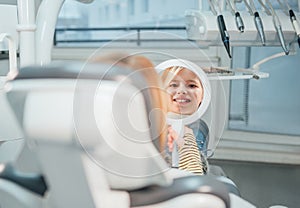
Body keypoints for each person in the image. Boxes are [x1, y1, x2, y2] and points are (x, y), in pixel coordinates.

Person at [160, 64, 209, 175]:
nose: (181, 91)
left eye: (191, 86)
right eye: (173, 85)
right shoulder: (150, 124)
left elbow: (194, 172)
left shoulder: (199, 128)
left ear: (203, 96)